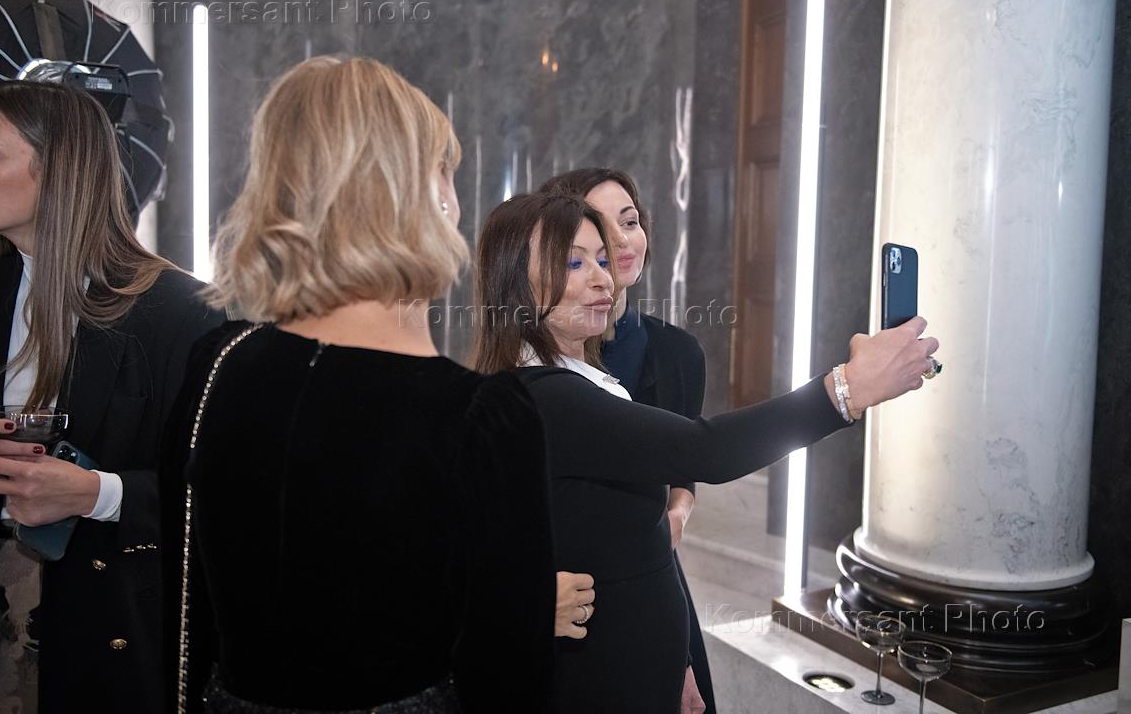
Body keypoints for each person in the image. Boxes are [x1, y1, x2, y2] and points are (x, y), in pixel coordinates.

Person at [161, 56, 555, 714]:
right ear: (419, 195)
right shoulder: (479, 415)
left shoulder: (219, 363)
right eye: (445, 169)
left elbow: (187, 618)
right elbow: (514, 681)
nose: (455, 197)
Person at [471, 193, 940, 713]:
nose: (602, 278)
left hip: (636, 663)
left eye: (601, 260)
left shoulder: (575, 382)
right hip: (598, 681)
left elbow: (636, 545)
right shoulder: (546, 397)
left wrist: (676, 661)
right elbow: (708, 449)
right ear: (516, 283)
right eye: (572, 263)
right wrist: (846, 390)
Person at [0, 81, 223, 712]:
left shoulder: (181, 314)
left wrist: (98, 493)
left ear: (58, 167)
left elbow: (226, 490)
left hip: (111, 632)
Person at [541, 167, 716, 711]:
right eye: (597, 228)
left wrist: (678, 510)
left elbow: (687, 458)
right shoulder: (547, 364)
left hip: (653, 569)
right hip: (575, 590)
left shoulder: (679, 352)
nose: (620, 240)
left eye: (631, 221)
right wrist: (843, 392)